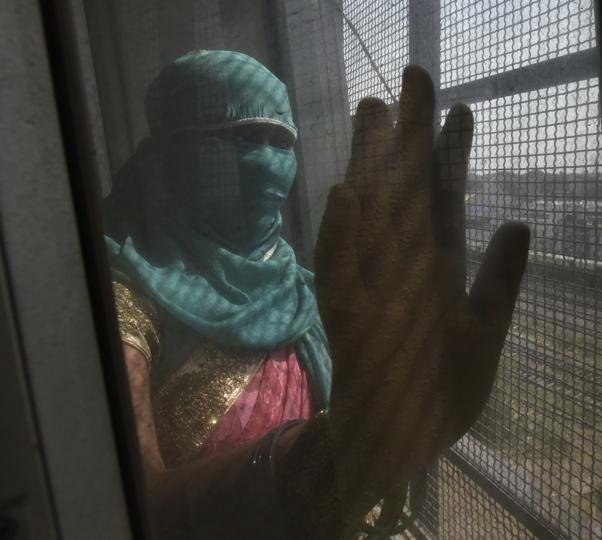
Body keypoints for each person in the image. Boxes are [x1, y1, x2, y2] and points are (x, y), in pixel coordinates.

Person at [103, 50, 530, 538]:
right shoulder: (122, 300)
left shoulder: (303, 291)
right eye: (244, 136)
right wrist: (335, 454)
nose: (269, 162)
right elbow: (133, 506)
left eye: (281, 142)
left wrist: (390, 428)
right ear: (172, 153)